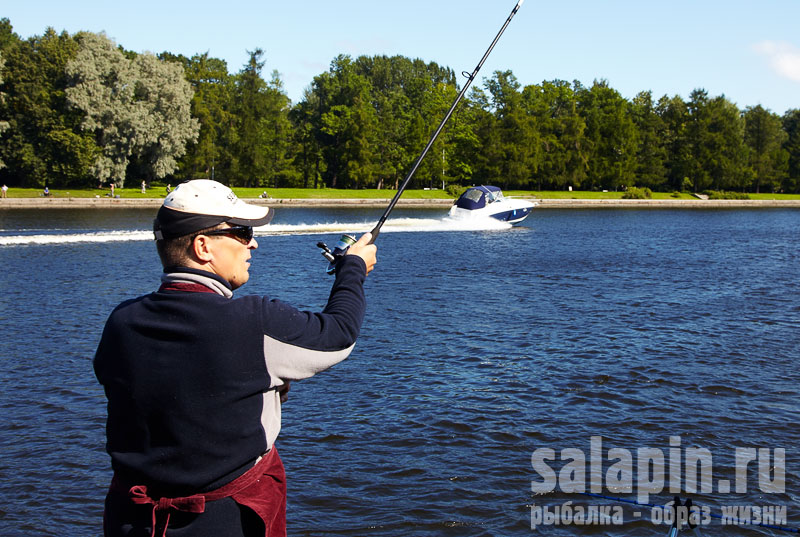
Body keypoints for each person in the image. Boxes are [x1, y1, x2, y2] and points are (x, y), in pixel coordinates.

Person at [93, 179, 377, 537]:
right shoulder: (253, 321)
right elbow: (337, 336)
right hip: (226, 520)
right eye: (242, 233)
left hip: (131, 520)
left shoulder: (120, 322)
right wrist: (352, 270)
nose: (253, 242)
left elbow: (171, 390)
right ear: (203, 246)